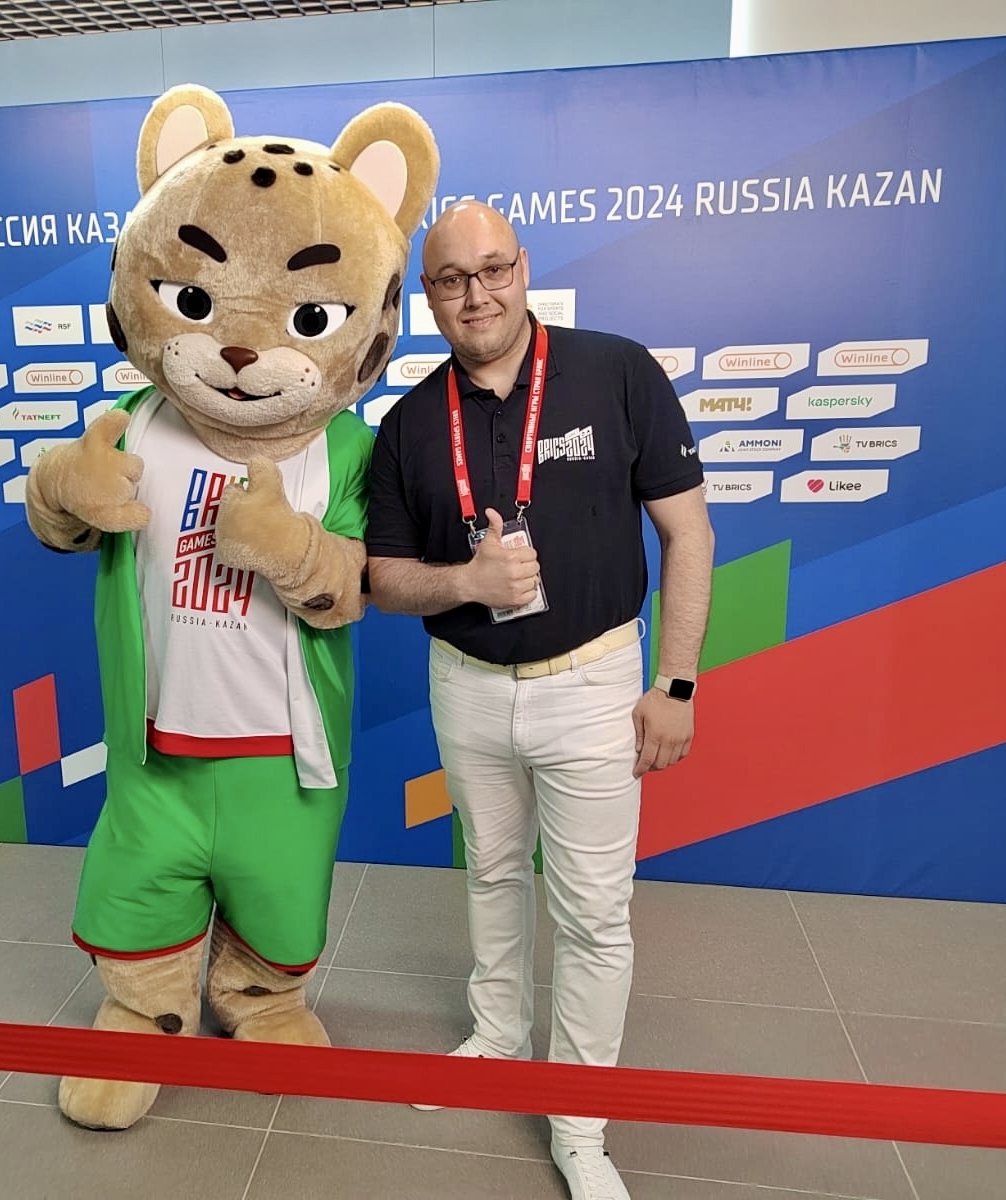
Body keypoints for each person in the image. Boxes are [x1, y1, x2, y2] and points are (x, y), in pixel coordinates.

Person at [365, 200, 715, 1200]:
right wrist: (467, 582)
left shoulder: (616, 372)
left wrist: (675, 683)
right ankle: (497, 1039)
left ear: (523, 268)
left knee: (594, 916)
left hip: (593, 682)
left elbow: (688, 535)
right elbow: (385, 578)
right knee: (490, 875)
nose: (475, 295)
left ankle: (578, 1122)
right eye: (450, 279)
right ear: (427, 295)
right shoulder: (408, 423)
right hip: (466, 686)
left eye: (493, 270)